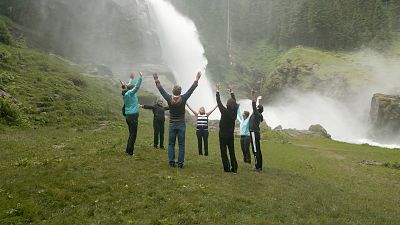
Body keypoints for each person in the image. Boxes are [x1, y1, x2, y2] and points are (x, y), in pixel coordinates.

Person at [153, 71, 201, 168]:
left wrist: (156, 79)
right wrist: (196, 79)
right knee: (181, 144)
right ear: (180, 92)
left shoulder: (168, 98)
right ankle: (180, 163)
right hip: (181, 124)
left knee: (171, 143)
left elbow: (161, 90)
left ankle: (171, 161)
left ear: (173, 91)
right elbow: (191, 90)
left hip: (172, 124)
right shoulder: (183, 98)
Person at [216, 83, 239, 173]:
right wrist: (231, 91)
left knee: (223, 151)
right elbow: (234, 101)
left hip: (222, 135)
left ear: (227, 105)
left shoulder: (224, 111)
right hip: (230, 135)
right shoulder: (234, 113)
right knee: (232, 152)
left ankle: (226, 168)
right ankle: (234, 168)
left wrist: (217, 90)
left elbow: (218, 102)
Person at [120, 72, 143, 156]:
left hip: (128, 116)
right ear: (131, 90)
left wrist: (131, 79)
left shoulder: (126, 93)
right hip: (133, 117)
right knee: (133, 134)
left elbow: (128, 86)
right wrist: (140, 77)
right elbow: (136, 87)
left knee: (131, 134)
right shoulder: (130, 93)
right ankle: (130, 152)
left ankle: (127, 150)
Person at [249, 89, 264, 172]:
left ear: (258, 109)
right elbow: (256, 105)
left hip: (254, 133)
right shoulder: (259, 115)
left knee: (255, 150)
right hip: (256, 132)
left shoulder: (256, 113)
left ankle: (257, 166)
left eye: (257, 107)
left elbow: (253, 104)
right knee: (258, 149)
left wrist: (253, 95)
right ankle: (259, 166)